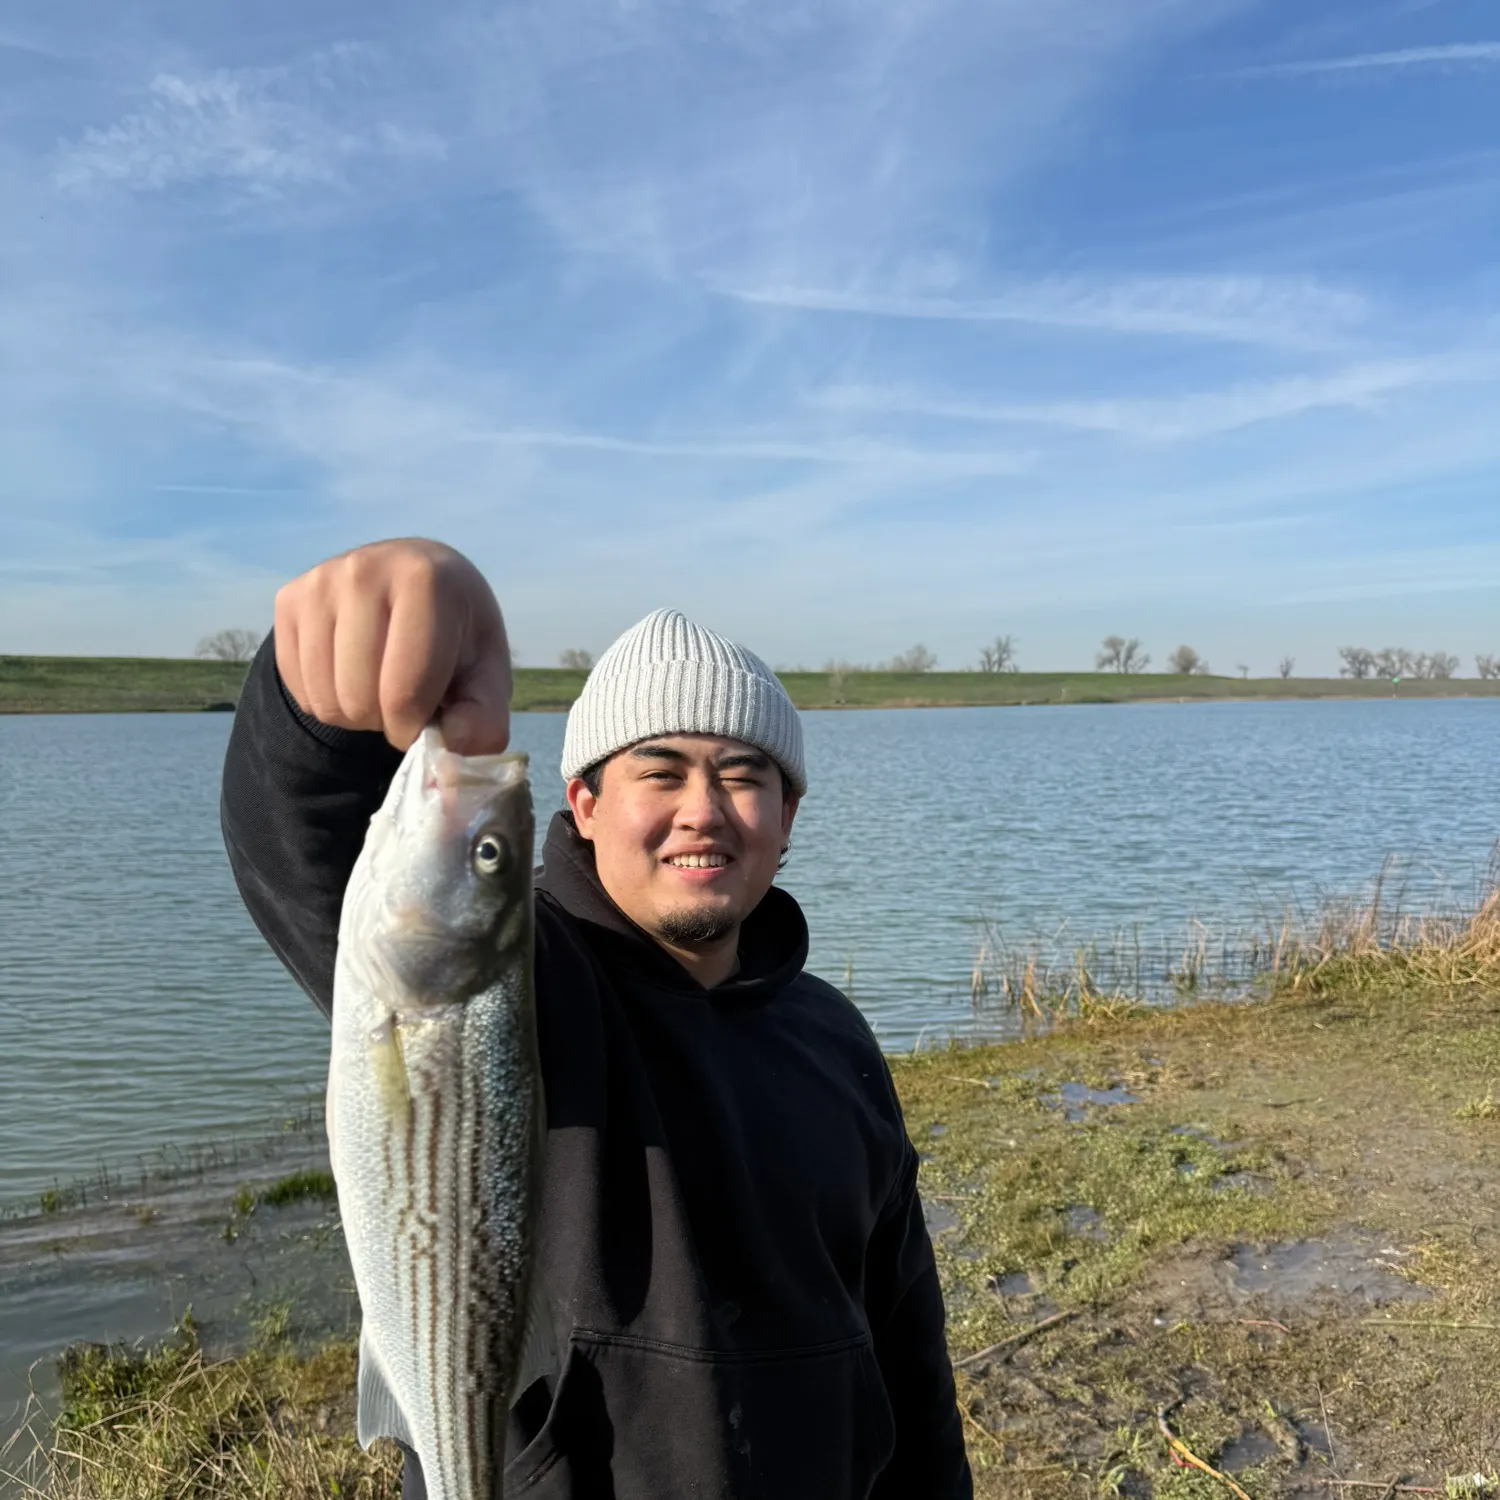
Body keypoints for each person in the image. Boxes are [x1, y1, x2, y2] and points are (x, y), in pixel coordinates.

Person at [221, 537, 972, 1499]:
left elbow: (907, 1344)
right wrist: (323, 699)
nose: (703, 810)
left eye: (744, 775)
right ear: (581, 804)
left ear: (787, 817)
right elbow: (305, 833)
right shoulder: (517, 980)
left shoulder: (836, 1038)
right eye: (659, 772)